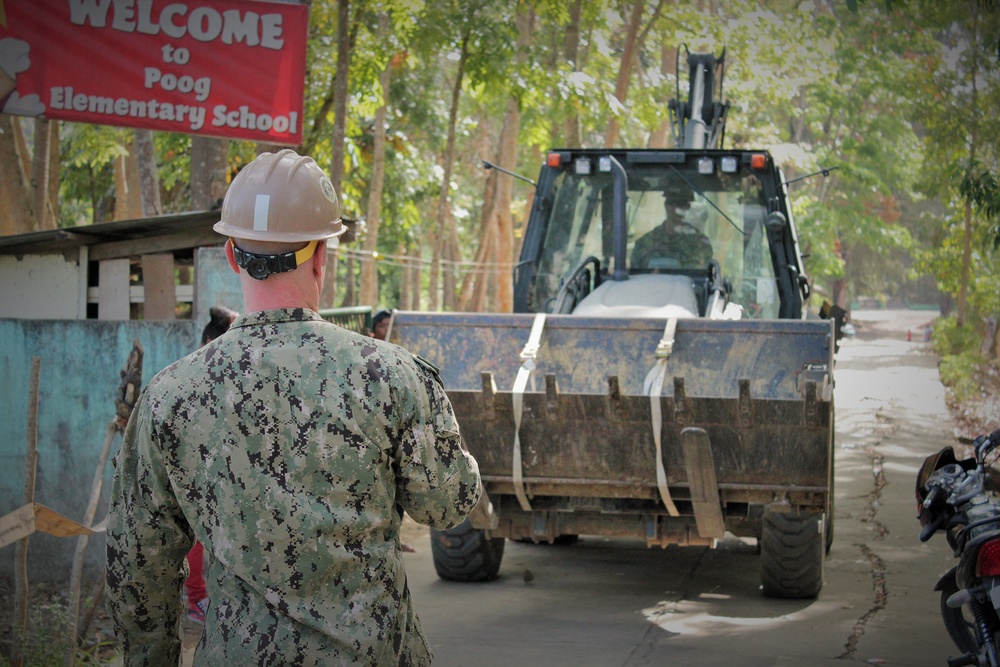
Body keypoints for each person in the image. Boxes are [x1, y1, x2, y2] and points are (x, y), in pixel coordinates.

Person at [106, 149, 482, 666]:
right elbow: (448, 506)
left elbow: (137, 566)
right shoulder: (392, 377)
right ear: (322, 254)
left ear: (233, 255)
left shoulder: (170, 396)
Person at [184, 305, 239, 625]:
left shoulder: (224, 374)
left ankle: (208, 598)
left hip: (221, 469)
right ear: (209, 343)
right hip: (194, 469)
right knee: (194, 537)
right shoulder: (190, 375)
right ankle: (196, 600)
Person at [630, 185, 713, 271]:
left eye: (681, 203)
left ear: (688, 206)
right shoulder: (644, 243)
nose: (675, 208)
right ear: (665, 205)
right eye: (671, 202)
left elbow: (705, 277)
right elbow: (635, 277)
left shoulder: (700, 244)